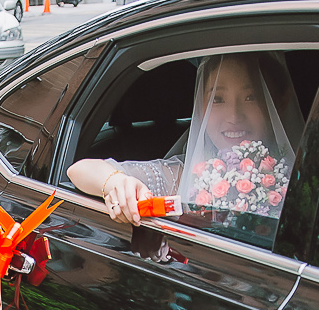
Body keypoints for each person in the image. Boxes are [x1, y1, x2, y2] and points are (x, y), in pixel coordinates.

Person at [68, 52, 304, 226]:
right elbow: (79, 171)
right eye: (218, 100)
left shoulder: (303, 177)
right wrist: (116, 184)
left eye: (251, 97)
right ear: (201, 106)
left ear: (279, 102)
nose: (234, 115)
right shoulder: (186, 174)